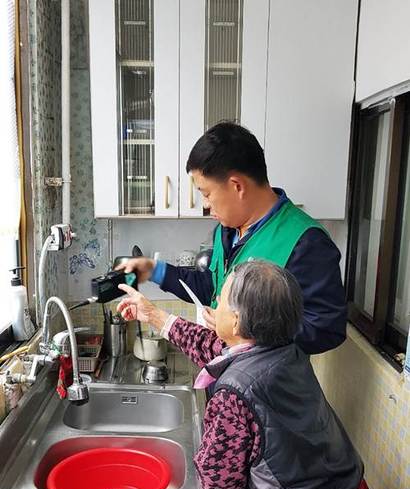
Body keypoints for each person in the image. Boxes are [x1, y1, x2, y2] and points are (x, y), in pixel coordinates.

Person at [117, 261, 377, 489]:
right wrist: (152, 314)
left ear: (237, 320)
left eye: (222, 300)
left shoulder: (233, 392)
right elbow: (217, 349)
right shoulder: (284, 351)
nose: (215, 306)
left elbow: (219, 482)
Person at [117, 122, 347, 355]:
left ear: (237, 186)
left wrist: (244, 329)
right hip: (226, 373)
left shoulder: (305, 241)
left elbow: (327, 329)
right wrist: (154, 270)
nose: (205, 205)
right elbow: (211, 287)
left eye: (206, 194)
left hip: (263, 386)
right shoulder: (226, 231)